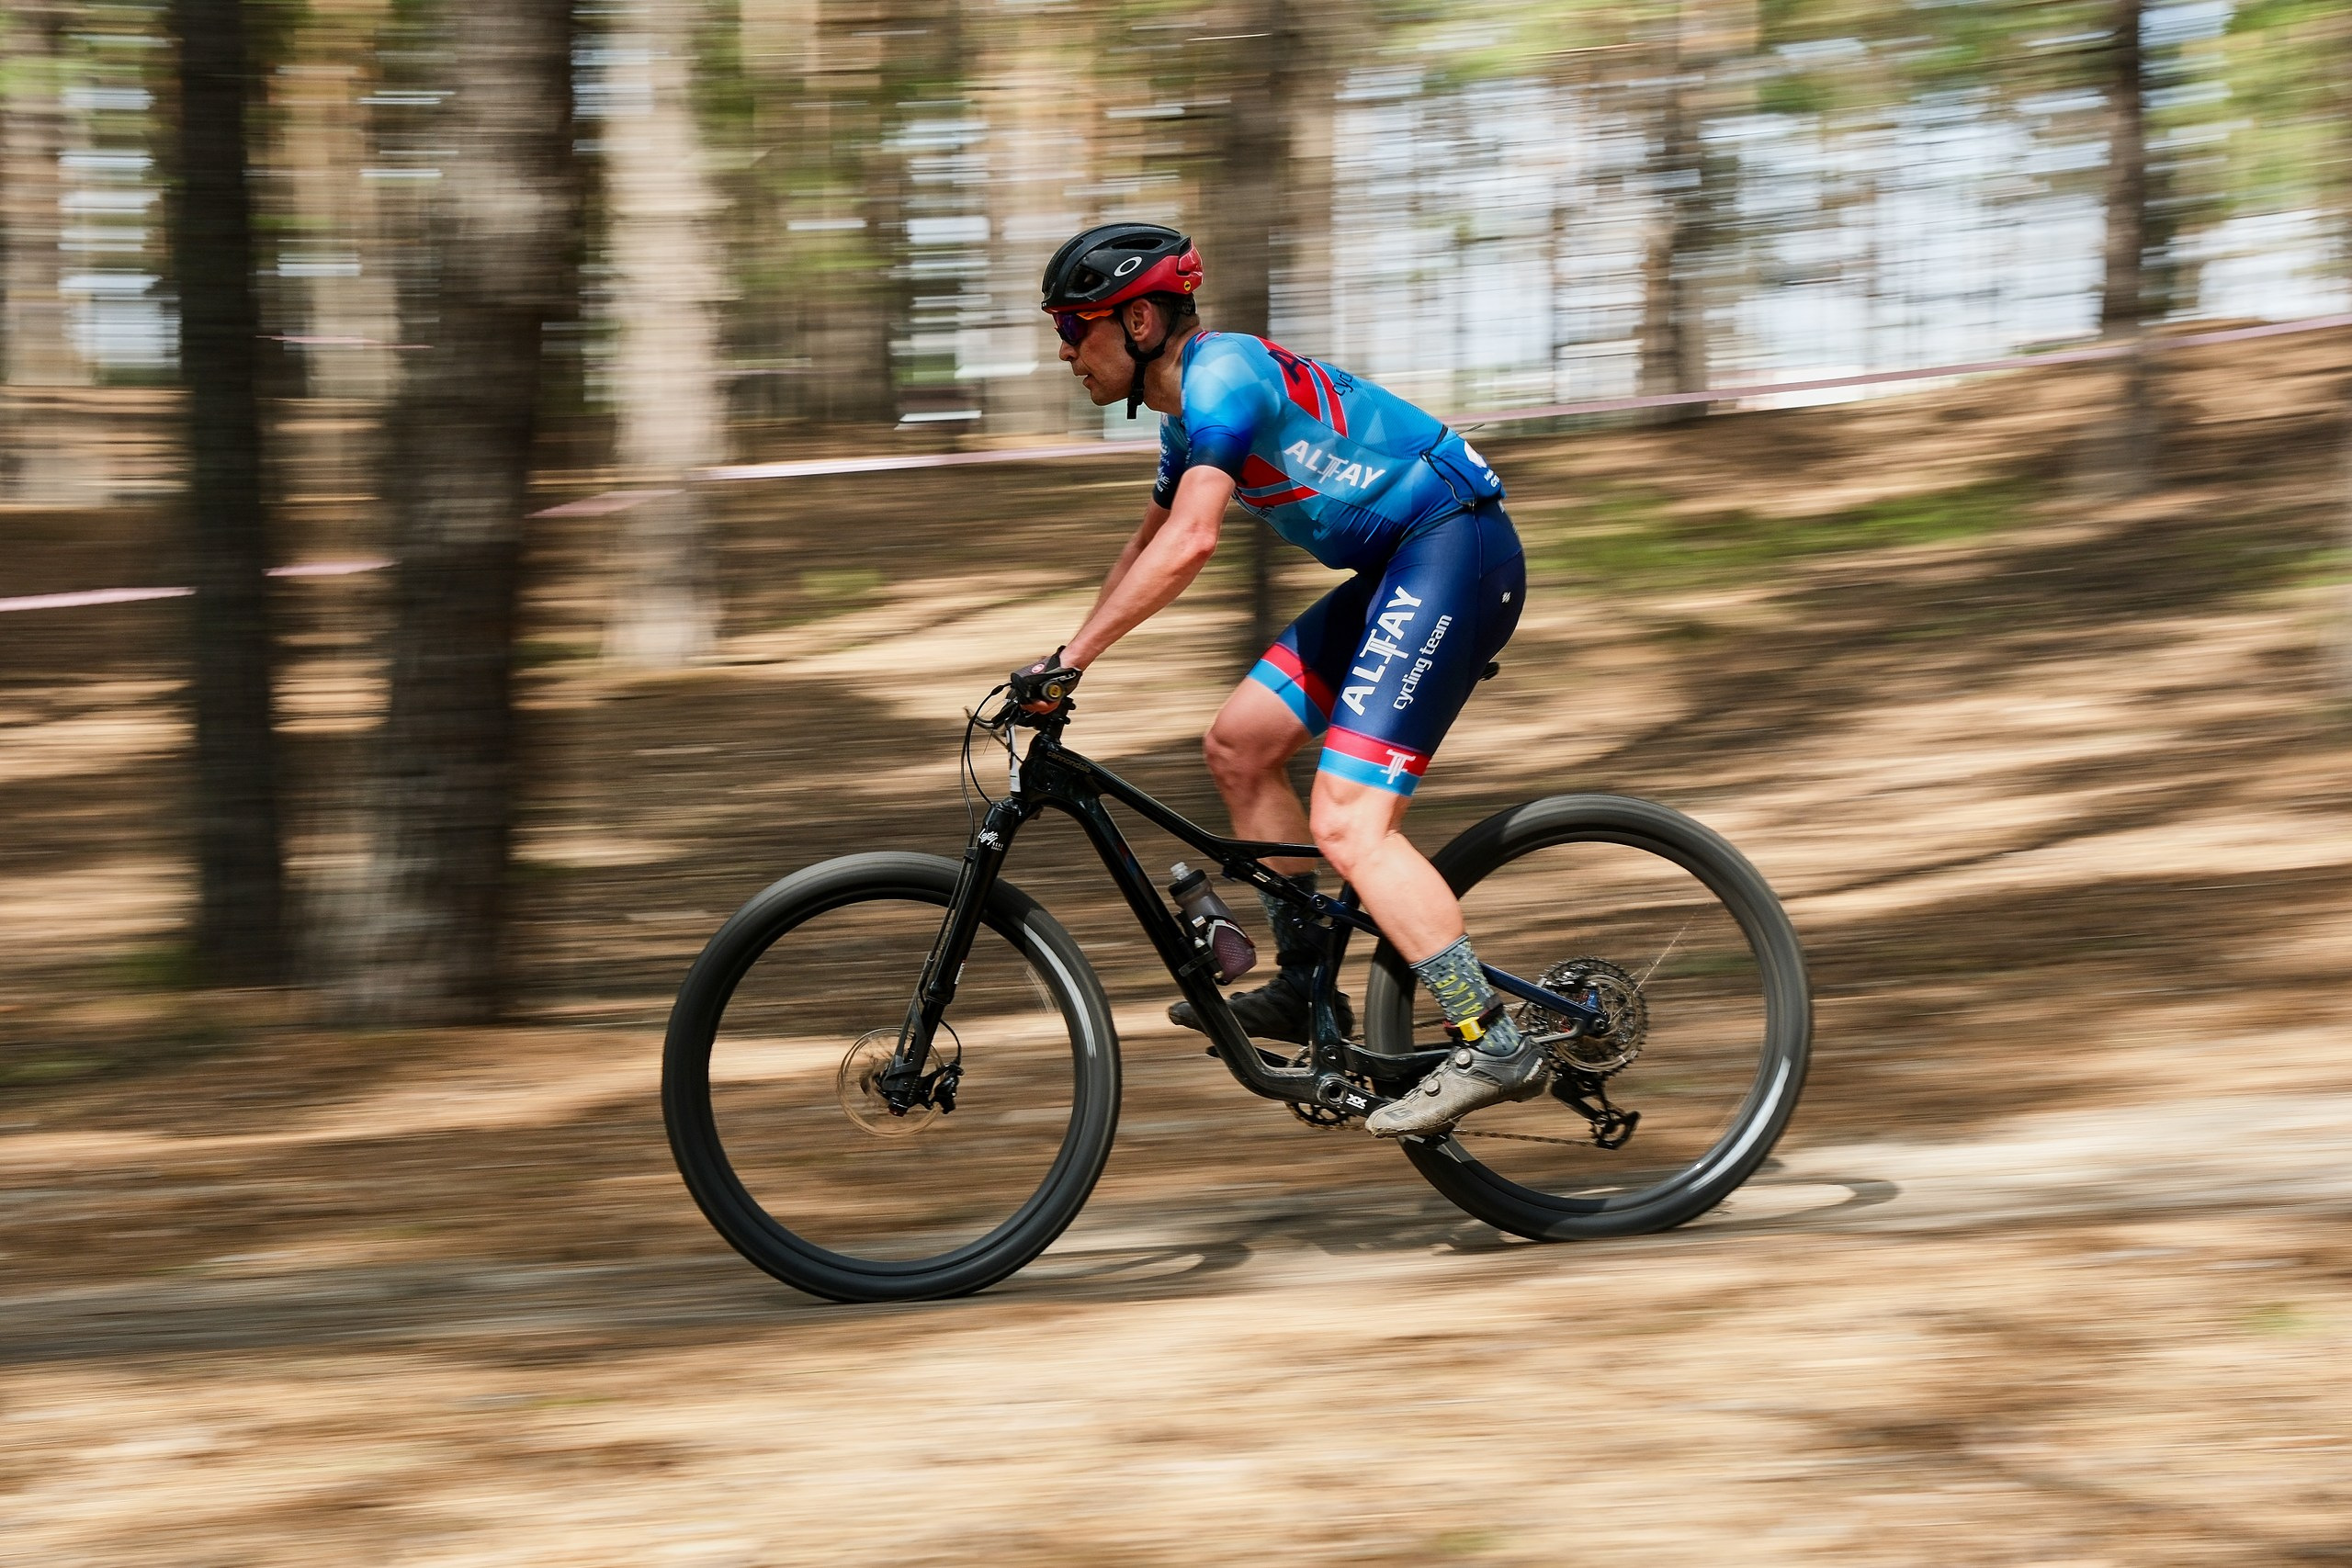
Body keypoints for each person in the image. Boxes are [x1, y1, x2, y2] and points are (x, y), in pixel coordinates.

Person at [1018, 222, 1541, 1138]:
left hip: (1456, 548)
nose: (1065, 351)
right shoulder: (1184, 421)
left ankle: (1489, 1034)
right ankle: (1307, 986)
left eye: (1073, 327)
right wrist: (1061, 655)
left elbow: (1192, 541)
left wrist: (1076, 662)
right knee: (1239, 747)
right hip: (1402, 568)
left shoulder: (1224, 373)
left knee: (1348, 821)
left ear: (1137, 321)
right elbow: (1145, 546)